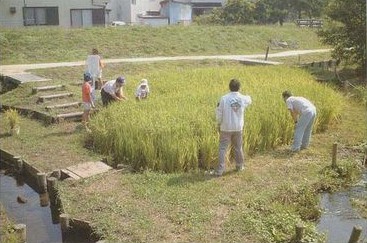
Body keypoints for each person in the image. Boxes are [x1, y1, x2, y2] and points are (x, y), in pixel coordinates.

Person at [215, 78, 252, 176]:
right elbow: (249, 99)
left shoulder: (223, 98)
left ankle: (220, 170)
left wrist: (218, 123)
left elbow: (219, 113)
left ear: (229, 87)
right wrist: (244, 95)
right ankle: (240, 166)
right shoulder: (243, 98)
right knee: (238, 147)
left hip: (226, 127)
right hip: (238, 127)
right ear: (239, 87)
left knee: (222, 148)